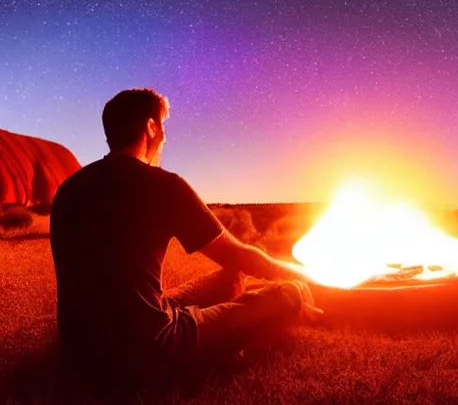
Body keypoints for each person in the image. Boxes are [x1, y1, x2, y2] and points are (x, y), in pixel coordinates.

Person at [50, 88, 321, 389]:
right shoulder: (164, 186)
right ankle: (256, 335)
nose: (164, 137)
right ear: (150, 127)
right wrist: (298, 275)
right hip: (147, 351)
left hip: (79, 351)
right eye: (162, 126)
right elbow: (238, 254)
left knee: (228, 280)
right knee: (288, 293)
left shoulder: (69, 189)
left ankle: (214, 324)